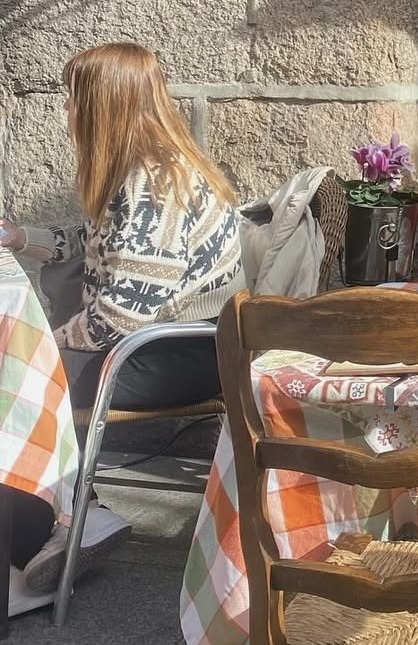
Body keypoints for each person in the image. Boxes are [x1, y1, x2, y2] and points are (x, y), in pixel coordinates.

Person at [1, 42, 245, 598]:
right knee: (18, 367)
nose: (65, 111)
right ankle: (80, 512)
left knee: (16, 376)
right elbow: (96, 243)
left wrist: (40, 343)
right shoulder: (152, 168)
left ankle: (50, 530)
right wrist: (23, 238)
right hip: (178, 347)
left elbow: (117, 316)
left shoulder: (152, 186)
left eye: (72, 99)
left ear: (100, 106)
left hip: (172, 356)